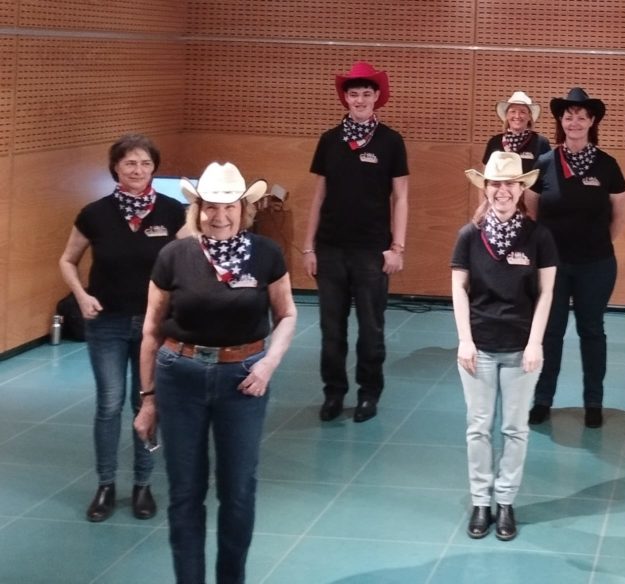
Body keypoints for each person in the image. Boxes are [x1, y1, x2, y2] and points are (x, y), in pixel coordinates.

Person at [133, 162, 296, 584]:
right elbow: (151, 330)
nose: (219, 216)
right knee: (185, 492)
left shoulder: (266, 254)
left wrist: (268, 363)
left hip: (243, 381)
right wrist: (147, 400)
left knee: (237, 492)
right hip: (179, 376)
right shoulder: (173, 256)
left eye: (229, 207)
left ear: (244, 209)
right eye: (210, 206)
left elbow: (287, 315)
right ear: (197, 209)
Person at [58, 134, 186, 523]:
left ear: (154, 168)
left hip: (153, 325)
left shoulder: (173, 212)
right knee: (109, 404)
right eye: (130, 163)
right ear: (115, 167)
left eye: (145, 163)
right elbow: (67, 260)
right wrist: (81, 296)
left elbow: (189, 260)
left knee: (145, 403)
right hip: (107, 323)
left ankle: (142, 485)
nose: (138, 170)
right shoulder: (95, 213)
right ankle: (106, 485)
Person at [452, 152, 557, 541]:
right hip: (478, 347)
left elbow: (547, 293)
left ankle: (506, 501)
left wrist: (535, 343)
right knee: (478, 427)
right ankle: (481, 502)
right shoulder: (468, 236)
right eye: (495, 183)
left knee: (515, 429)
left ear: (521, 188)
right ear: (486, 188)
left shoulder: (539, 236)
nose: (502, 191)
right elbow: (459, 289)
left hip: (520, 348)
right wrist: (465, 340)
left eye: (509, 183)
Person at [302, 61, 409, 423]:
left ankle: (368, 394)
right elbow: (318, 197)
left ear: (377, 97)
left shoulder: (391, 141)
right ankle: (333, 393)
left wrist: (397, 247)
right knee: (331, 331)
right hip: (330, 249)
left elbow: (401, 198)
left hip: (372, 252)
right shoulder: (329, 141)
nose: (360, 100)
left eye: (366, 93)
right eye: (353, 94)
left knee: (371, 329)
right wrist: (309, 247)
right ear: (345, 98)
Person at [525, 87, 625, 429]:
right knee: (550, 332)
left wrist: (596, 244)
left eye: (581, 117)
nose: (574, 122)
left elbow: (619, 215)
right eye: (568, 116)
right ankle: (542, 399)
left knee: (592, 330)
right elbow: (532, 210)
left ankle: (593, 402)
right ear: (561, 121)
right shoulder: (544, 163)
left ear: (592, 121)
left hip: (596, 264)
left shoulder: (607, 165)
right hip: (552, 267)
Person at [482, 90, 551, 172]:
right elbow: (486, 173)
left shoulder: (541, 143)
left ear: (529, 116)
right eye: (513, 111)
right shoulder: (494, 142)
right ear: (507, 115)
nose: (517, 116)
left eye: (522, 112)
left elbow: (548, 172)